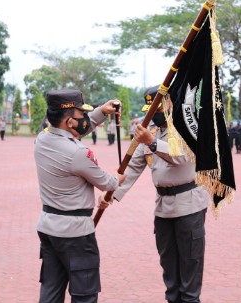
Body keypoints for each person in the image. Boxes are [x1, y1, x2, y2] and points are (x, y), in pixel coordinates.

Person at [101, 86, 210, 303]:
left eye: (156, 109)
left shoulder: (187, 125)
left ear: (169, 105)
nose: (152, 115)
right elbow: (132, 166)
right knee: (169, 268)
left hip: (189, 205)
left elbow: (181, 156)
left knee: (189, 268)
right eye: (150, 110)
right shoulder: (151, 129)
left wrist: (151, 141)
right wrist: (111, 193)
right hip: (163, 206)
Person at [34, 89, 126, 303]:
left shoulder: (42, 139)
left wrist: (101, 111)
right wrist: (118, 178)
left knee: (51, 290)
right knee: (84, 294)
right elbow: (108, 183)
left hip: (49, 227)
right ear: (69, 121)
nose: (85, 118)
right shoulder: (78, 153)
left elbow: (74, 132)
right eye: (81, 115)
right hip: (75, 235)